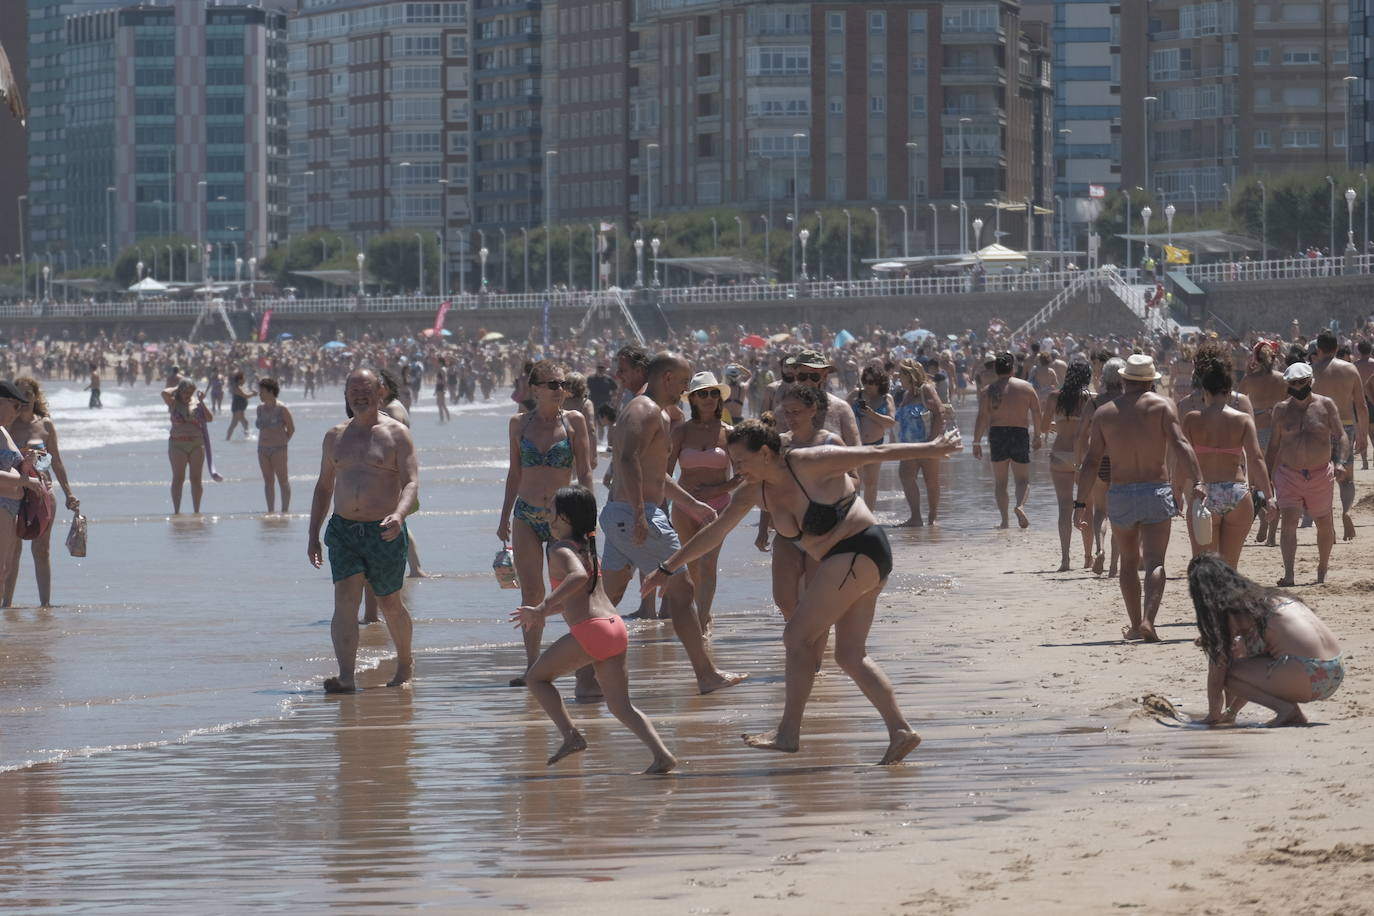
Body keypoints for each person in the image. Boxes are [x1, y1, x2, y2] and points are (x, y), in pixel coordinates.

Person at [643, 419, 962, 764]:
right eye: (734, 461)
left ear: (766, 453)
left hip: (860, 549)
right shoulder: (753, 491)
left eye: (742, 460)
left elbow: (878, 452)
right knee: (849, 656)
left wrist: (934, 448)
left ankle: (788, 733)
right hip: (851, 562)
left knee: (796, 637)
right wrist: (667, 568)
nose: (737, 469)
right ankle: (900, 730)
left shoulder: (809, 462)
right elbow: (715, 533)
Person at [600, 352, 746, 694]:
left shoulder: (655, 413)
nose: (685, 389)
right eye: (683, 382)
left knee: (608, 598)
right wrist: (640, 512)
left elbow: (655, 474)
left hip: (619, 515)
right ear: (666, 378)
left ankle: (585, 677)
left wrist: (691, 504)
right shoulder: (646, 410)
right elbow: (627, 460)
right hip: (636, 515)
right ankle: (706, 675)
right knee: (683, 591)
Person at [512, 485, 676, 774]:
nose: (548, 517)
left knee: (537, 678)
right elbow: (578, 596)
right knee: (621, 707)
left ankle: (571, 736)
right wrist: (543, 613)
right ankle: (662, 755)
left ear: (565, 518)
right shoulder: (586, 549)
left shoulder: (561, 549)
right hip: (615, 627)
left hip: (593, 630)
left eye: (551, 512)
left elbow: (577, 578)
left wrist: (542, 607)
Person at [1075, 354, 1204, 643]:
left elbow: (1091, 461)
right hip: (1154, 490)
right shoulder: (1163, 406)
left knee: (1128, 562)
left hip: (1120, 493)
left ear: (1124, 380)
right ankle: (1148, 620)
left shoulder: (1104, 412)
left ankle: (1134, 625)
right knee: (1155, 561)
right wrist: (1199, 481)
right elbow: (1181, 444)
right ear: (1150, 381)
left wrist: (1079, 503)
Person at [307, 368, 418, 693]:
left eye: (366, 389)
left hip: (384, 530)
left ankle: (405, 663)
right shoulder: (335, 436)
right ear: (346, 395)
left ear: (380, 391)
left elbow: (411, 482)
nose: (359, 396)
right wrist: (313, 534)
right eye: (353, 390)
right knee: (345, 600)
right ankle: (346, 676)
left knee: (390, 602)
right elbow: (324, 487)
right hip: (343, 530)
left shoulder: (397, 434)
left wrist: (399, 515)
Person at [497, 360, 593, 685]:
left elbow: (585, 472)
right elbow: (514, 473)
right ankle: (532, 666)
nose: (560, 390)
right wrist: (503, 516)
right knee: (531, 590)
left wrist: (588, 518)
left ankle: (583, 662)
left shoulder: (574, 421)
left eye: (563, 384)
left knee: (570, 591)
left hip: (562, 518)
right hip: (525, 514)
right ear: (535, 389)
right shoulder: (518, 424)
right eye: (553, 384)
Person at [1188, 554, 1342, 727]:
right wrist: (1231, 712)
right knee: (1245, 661)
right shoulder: (1268, 598)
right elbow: (1255, 670)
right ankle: (1283, 710)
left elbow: (1218, 672)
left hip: (1309, 674)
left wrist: (1213, 716)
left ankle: (1288, 711)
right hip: (1335, 670)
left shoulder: (1230, 612)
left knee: (1227, 671)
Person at [1180, 348, 1269, 571]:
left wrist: (1175, 492)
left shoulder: (1192, 419)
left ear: (1205, 391)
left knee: (1205, 566)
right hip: (1236, 492)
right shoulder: (1243, 420)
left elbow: (1182, 460)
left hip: (1205, 494)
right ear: (1229, 391)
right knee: (1230, 568)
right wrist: (1270, 497)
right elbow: (1256, 458)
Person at [1265, 361, 1348, 586]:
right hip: (1288, 474)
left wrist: (1340, 462)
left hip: (1320, 474)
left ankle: (1322, 568)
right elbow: (1273, 446)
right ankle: (1289, 574)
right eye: (1293, 383)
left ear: (1311, 381)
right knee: (1289, 521)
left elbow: (1341, 435)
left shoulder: (1326, 405)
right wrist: (1267, 478)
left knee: (1323, 522)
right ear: (1287, 384)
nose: (1298, 387)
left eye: (1302, 382)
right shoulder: (1281, 410)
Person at [668, 371, 738, 632]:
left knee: (709, 564)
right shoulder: (681, 432)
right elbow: (664, 473)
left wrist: (718, 488)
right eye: (702, 394)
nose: (709, 398)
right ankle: (703, 614)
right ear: (693, 399)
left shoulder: (729, 433)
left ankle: (700, 623)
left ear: (719, 398)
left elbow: (743, 474)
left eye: (713, 393)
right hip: (684, 507)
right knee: (693, 566)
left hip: (718, 507)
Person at [2, 377, 76, 607]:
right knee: (12, 552)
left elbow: (57, 461)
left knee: (41, 549)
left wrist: (69, 494)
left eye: (27, 395)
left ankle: (45, 604)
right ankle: (7, 605)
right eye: (18, 397)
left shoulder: (45, 424)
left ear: (35, 397)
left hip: (42, 493)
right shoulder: (7, 425)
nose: (23, 401)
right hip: (13, 493)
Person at [972, 351, 1043, 529]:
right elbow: (1036, 412)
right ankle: (1020, 506)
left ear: (996, 370)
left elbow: (982, 417)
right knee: (1022, 479)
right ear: (1013, 369)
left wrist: (976, 442)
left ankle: (1004, 521)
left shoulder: (988, 391)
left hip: (998, 434)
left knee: (1001, 482)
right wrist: (1038, 435)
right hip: (1020, 433)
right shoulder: (1026, 387)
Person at [1309, 331, 1368, 541]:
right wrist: (1363, 434)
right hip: (1345, 427)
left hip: (1319, 428)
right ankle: (1346, 511)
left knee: (1322, 481)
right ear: (1336, 348)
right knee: (1347, 480)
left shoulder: (1311, 371)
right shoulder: (1350, 369)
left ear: (1318, 349)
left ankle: (1329, 529)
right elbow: (1361, 405)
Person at [0, 381, 51, 595]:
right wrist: (24, 481)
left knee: (4, 571)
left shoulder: (3, 431)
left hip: (11, 508)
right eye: (15, 405)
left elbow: (16, 467)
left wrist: (28, 465)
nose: (18, 411)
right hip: (2, 506)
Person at [1237, 340, 1289, 545]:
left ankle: (1263, 520)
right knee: (1276, 483)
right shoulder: (1282, 378)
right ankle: (1272, 536)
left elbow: (1235, 401)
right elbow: (1289, 403)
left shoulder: (1249, 380)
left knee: (1256, 485)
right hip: (1278, 433)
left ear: (1255, 359)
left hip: (1256, 434)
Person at [1045, 358, 1093, 571]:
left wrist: (1058, 424)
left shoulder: (1055, 397)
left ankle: (1065, 559)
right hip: (1084, 455)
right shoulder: (1092, 399)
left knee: (1064, 507)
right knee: (1087, 507)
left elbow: (1043, 427)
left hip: (1060, 454)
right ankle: (1088, 558)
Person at [893, 359, 946, 527]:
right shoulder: (906, 394)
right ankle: (915, 517)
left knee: (931, 480)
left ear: (909, 374)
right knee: (905, 476)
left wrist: (932, 441)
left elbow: (939, 413)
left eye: (901, 374)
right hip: (908, 446)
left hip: (927, 443)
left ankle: (932, 517)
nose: (898, 377)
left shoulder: (926, 389)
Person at [847, 365, 897, 511]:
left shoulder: (886, 398)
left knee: (871, 482)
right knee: (856, 481)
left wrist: (871, 414)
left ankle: (869, 514)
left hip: (876, 444)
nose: (867, 385)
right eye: (865, 381)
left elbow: (891, 422)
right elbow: (841, 411)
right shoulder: (856, 394)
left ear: (879, 383)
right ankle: (855, 513)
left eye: (871, 382)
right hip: (856, 444)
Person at [162, 379, 210, 514]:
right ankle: (176, 511)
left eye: (190, 392)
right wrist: (178, 387)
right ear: (179, 391)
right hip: (177, 444)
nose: (188, 394)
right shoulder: (173, 403)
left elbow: (209, 418)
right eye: (185, 391)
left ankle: (196, 512)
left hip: (196, 444)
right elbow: (164, 393)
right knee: (178, 478)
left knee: (196, 479)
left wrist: (202, 402)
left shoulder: (197, 403)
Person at [255, 378, 295, 513]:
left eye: (262, 392)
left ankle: (285, 511)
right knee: (268, 481)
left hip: (279, 449)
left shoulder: (282, 409)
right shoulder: (259, 409)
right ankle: (270, 511)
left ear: (271, 391)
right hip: (262, 449)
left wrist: (282, 441)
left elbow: (291, 429)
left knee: (283, 480)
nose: (260, 394)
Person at [225, 370, 255, 440]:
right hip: (238, 408)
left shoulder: (238, 387)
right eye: (243, 379)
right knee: (244, 423)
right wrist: (253, 394)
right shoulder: (237, 388)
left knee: (234, 424)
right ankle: (247, 438)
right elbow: (245, 396)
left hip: (238, 408)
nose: (244, 381)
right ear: (239, 380)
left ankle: (227, 439)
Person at [433, 356, 451, 423]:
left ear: (440, 362)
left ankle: (444, 419)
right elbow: (438, 380)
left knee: (441, 404)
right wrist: (435, 390)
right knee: (440, 404)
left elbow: (444, 379)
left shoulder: (442, 369)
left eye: (437, 362)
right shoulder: (441, 369)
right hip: (439, 387)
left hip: (441, 387)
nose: (436, 363)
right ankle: (444, 419)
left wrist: (444, 388)